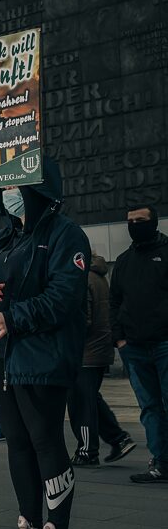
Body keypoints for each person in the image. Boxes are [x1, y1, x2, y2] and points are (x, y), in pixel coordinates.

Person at [0, 160, 90, 529]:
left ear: (37, 188)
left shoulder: (65, 235)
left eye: (14, 186)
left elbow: (64, 296)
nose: (7, 194)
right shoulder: (5, 235)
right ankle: (29, 523)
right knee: (16, 441)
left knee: (45, 440)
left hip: (39, 357)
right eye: (4, 188)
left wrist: (13, 317)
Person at [110, 205, 168, 484]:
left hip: (164, 344)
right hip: (134, 347)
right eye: (130, 221)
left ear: (153, 222)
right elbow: (114, 302)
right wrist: (120, 339)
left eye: (140, 220)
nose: (134, 225)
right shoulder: (124, 261)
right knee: (150, 407)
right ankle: (160, 463)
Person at [68, 252, 135, 466]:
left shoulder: (83, 278)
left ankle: (87, 451)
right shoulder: (98, 276)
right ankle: (119, 438)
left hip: (85, 352)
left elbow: (83, 320)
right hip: (99, 348)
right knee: (90, 399)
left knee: (81, 402)